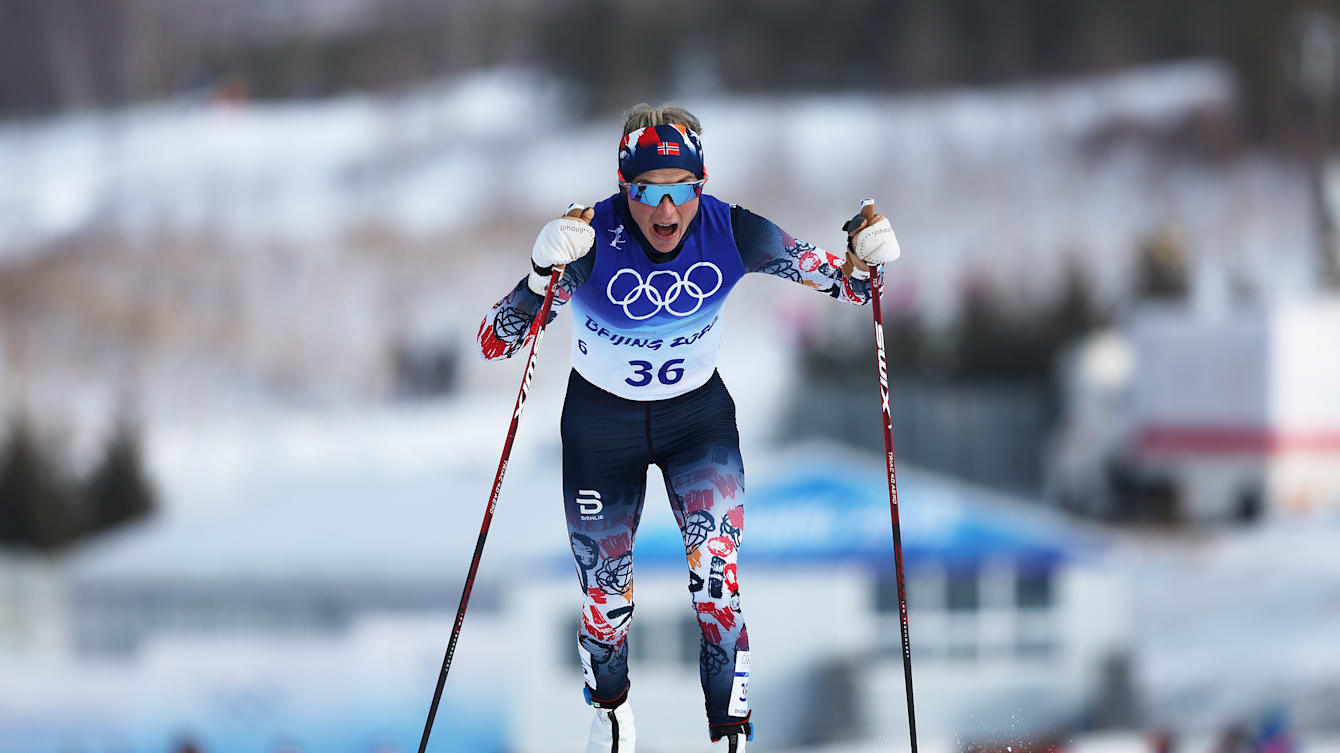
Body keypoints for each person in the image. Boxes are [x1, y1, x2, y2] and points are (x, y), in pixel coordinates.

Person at [475, 103, 900, 753]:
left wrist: (867, 259)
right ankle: (612, 711)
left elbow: (847, 286)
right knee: (606, 598)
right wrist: (539, 275)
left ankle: (732, 732)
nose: (665, 211)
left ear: (700, 187)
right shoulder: (588, 240)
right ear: (625, 188)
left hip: (694, 421)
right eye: (647, 191)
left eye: (680, 192)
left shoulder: (733, 232)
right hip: (601, 427)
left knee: (717, 582)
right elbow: (494, 343)